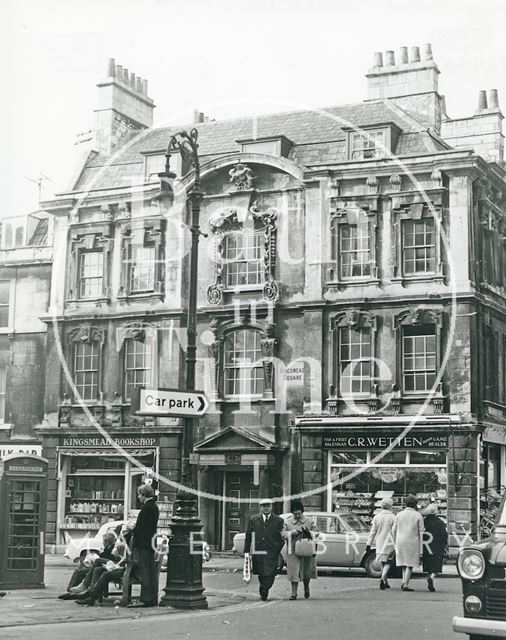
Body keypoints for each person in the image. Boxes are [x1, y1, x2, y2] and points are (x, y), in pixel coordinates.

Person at [244, 498, 284, 601]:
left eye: (268, 506)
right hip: (258, 550)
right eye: (263, 506)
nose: (266, 508)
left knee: (271, 573)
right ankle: (264, 590)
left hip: (272, 551)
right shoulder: (253, 519)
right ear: (260, 507)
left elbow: (282, 537)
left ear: (271, 507)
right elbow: (248, 536)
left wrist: (277, 548)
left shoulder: (278, 520)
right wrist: (247, 551)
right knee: (261, 572)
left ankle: (265, 588)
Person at [126, 483, 159, 608]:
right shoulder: (153, 507)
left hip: (144, 543)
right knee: (149, 571)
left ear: (144, 495)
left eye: (139, 495)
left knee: (144, 571)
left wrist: (132, 529)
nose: (138, 497)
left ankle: (145, 599)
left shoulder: (147, 508)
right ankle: (151, 598)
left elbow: (143, 528)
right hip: (150, 543)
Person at [58, 531, 117, 600]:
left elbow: (108, 560)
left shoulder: (113, 550)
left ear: (107, 542)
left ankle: (75, 590)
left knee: (80, 572)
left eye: (104, 541)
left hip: (103, 567)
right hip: (99, 566)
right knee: (78, 571)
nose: (102, 543)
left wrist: (97, 558)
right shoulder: (107, 549)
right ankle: (70, 591)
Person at [75, 541, 132, 606]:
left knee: (105, 572)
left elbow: (126, 561)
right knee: (98, 569)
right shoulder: (126, 543)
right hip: (121, 566)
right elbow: (123, 559)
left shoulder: (130, 545)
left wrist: (116, 565)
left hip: (126, 569)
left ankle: (91, 595)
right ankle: (91, 596)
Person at [282, 500, 318, 600]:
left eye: (299, 513)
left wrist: (310, 533)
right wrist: (291, 533)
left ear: (302, 512)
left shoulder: (309, 521)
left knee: (307, 571)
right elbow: (282, 534)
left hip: (307, 549)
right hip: (292, 550)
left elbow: (317, 532)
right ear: (292, 513)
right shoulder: (287, 522)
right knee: (294, 571)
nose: (297, 516)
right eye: (295, 514)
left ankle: (306, 588)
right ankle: (294, 593)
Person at [393, 495, 424, 591]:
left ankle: (403, 581)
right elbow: (421, 532)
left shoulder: (399, 514)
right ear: (415, 504)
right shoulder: (418, 515)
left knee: (403, 562)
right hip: (412, 541)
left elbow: (394, 529)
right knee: (410, 564)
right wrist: (421, 548)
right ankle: (405, 584)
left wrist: (395, 540)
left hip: (400, 540)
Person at [366, 498, 396, 590]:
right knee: (389, 562)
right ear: (390, 506)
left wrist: (368, 544)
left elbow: (372, 532)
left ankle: (385, 581)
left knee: (383, 561)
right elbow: (395, 531)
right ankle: (383, 578)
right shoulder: (393, 517)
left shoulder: (376, 517)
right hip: (390, 542)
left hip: (379, 541)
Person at [422, 503, 448, 592]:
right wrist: (445, 544)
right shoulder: (440, 522)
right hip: (438, 545)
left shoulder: (424, 521)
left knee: (429, 562)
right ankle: (432, 577)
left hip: (426, 545)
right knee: (437, 563)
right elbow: (444, 535)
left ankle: (430, 576)